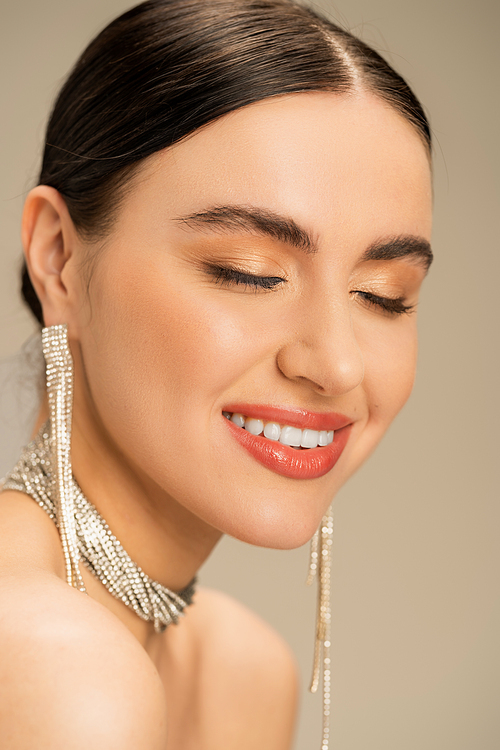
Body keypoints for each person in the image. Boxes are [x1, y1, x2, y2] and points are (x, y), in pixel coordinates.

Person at [0, 0, 433, 748]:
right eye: (249, 273)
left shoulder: (245, 671)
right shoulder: (52, 662)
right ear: (59, 258)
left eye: (382, 295)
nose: (333, 362)